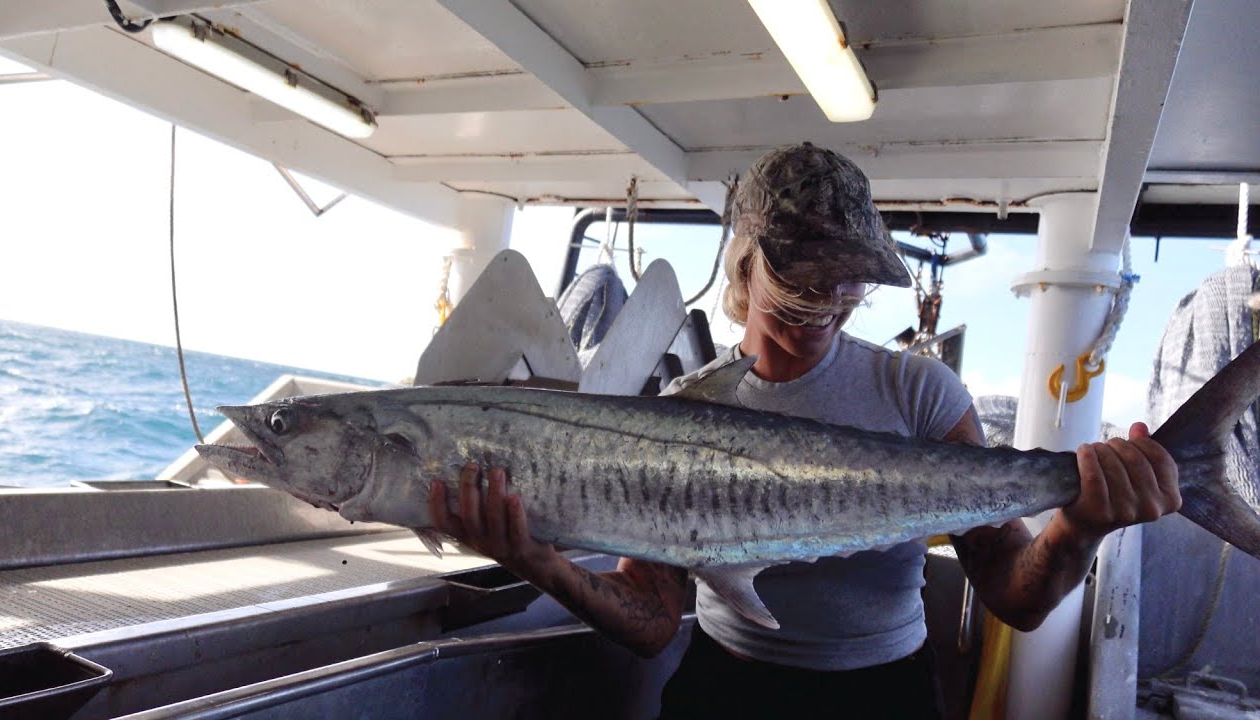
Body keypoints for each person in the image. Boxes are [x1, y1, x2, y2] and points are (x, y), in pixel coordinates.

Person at [428, 143, 1181, 718]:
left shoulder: (918, 392)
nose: (828, 300)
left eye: (848, 278)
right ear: (744, 267)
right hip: (727, 686)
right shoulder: (688, 409)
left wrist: (1080, 525)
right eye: (801, 280)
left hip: (883, 696)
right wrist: (530, 556)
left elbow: (1014, 595)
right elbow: (653, 622)